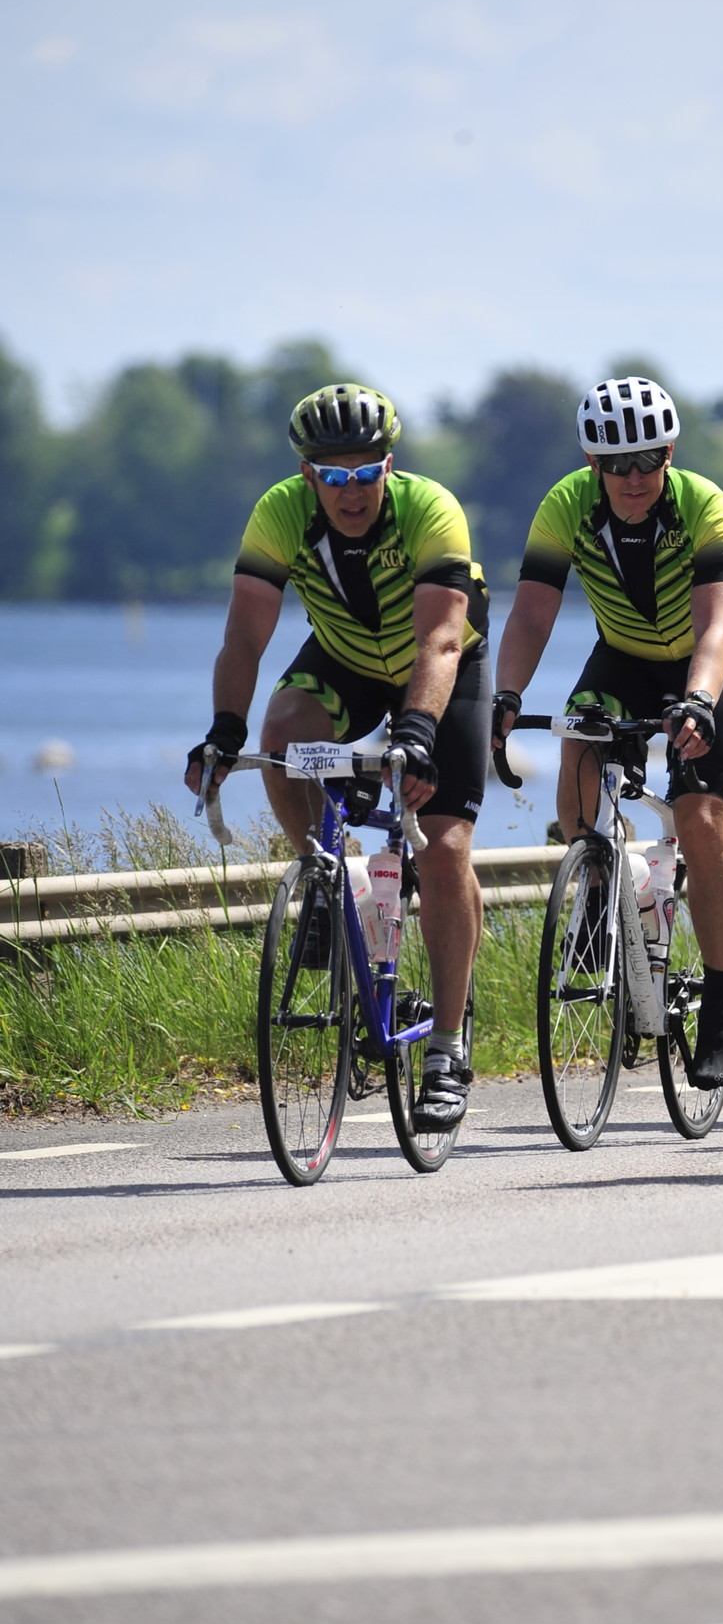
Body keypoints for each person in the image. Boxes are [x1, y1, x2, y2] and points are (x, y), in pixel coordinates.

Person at [185, 382, 490, 1132]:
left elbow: (439, 640)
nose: (349, 491)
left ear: (389, 465)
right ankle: (326, 878)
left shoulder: (430, 509)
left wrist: (416, 732)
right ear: (306, 474)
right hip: (347, 659)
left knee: (445, 849)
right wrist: (223, 729)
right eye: (332, 475)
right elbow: (245, 635)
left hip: (442, 670)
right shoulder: (280, 513)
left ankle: (447, 1049)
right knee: (282, 734)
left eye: (364, 473)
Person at [493, 377, 723, 1089]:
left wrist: (698, 703)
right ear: (593, 464)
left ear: (669, 454)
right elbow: (531, 615)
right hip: (625, 657)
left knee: (700, 818)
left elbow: (715, 628)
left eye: (648, 460)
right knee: (578, 742)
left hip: (712, 661)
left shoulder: (705, 506)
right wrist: (506, 697)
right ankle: (597, 892)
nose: (633, 477)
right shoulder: (565, 507)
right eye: (616, 464)